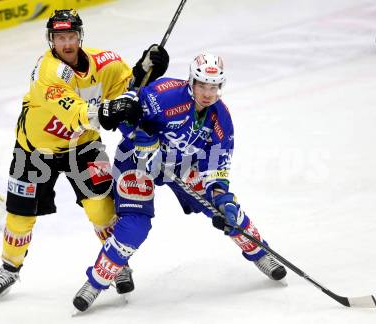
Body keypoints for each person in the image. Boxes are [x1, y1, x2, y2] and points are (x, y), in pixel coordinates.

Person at [71, 53, 287, 313]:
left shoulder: (221, 119)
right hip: (137, 161)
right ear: (191, 81)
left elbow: (216, 166)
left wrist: (221, 198)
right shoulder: (164, 95)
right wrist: (144, 139)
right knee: (134, 227)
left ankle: (261, 253)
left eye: (214, 87)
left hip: (181, 166)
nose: (208, 93)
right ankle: (96, 282)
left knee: (227, 211)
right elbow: (126, 112)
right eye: (203, 86)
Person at [0, 9, 169, 301]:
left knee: (102, 209)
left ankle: (117, 264)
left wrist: (146, 71)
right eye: (60, 38)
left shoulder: (105, 62)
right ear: (51, 40)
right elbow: (76, 112)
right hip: (35, 150)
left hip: (84, 148)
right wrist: (107, 110)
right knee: (18, 216)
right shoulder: (47, 72)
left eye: (71, 36)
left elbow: (127, 91)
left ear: (80, 37)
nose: (66, 44)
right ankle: (9, 268)